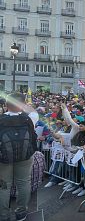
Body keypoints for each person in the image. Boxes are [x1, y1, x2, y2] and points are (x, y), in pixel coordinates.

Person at [0, 93, 38, 221]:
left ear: (6, 104)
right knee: (23, 183)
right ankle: (21, 212)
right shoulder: (31, 118)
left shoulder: (1, 119)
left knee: (4, 186)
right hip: (25, 157)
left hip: (3, 159)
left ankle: (3, 216)